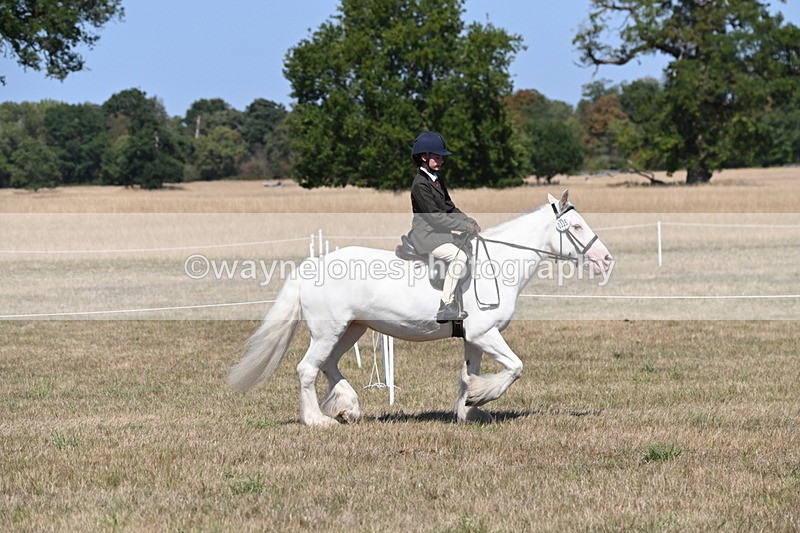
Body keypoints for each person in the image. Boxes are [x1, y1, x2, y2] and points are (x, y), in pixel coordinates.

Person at [408, 132, 480, 323]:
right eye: (437, 157)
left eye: (442, 157)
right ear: (424, 157)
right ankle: (445, 306)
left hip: (440, 233)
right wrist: (463, 226)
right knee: (459, 257)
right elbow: (436, 218)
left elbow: (449, 208)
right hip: (427, 236)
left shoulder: (436, 179)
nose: (441, 161)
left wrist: (469, 221)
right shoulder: (420, 185)